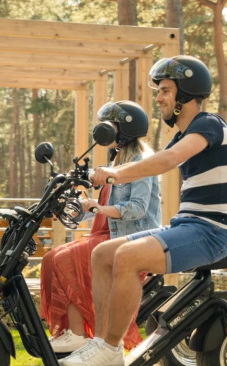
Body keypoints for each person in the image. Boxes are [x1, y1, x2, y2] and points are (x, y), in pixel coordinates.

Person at [60, 55, 227, 366]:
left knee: (128, 257)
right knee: (103, 253)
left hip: (214, 230)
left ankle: (111, 347)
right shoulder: (184, 135)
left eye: (165, 90)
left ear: (185, 94)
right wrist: (95, 172)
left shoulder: (208, 125)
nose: (158, 97)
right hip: (189, 224)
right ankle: (101, 343)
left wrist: (113, 174)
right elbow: (160, 158)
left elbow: (165, 161)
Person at [41, 100, 162, 353]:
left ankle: (80, 335)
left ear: (123, 129)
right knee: (52, 257)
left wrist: (96, 208)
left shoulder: (142, 162)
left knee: (66, 258)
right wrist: (78, 208)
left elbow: (137, 208)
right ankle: (72, 333)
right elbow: (105, 208)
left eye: (109, 126)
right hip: (108, 234)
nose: (103, 131)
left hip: (133, 238)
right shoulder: (118, 161)